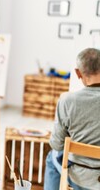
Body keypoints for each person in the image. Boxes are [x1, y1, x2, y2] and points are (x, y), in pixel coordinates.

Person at [44, 48, 100, 190]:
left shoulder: (67, 101)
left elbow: (57, 144)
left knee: (52, 157)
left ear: (78, 73)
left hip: (79, 179)